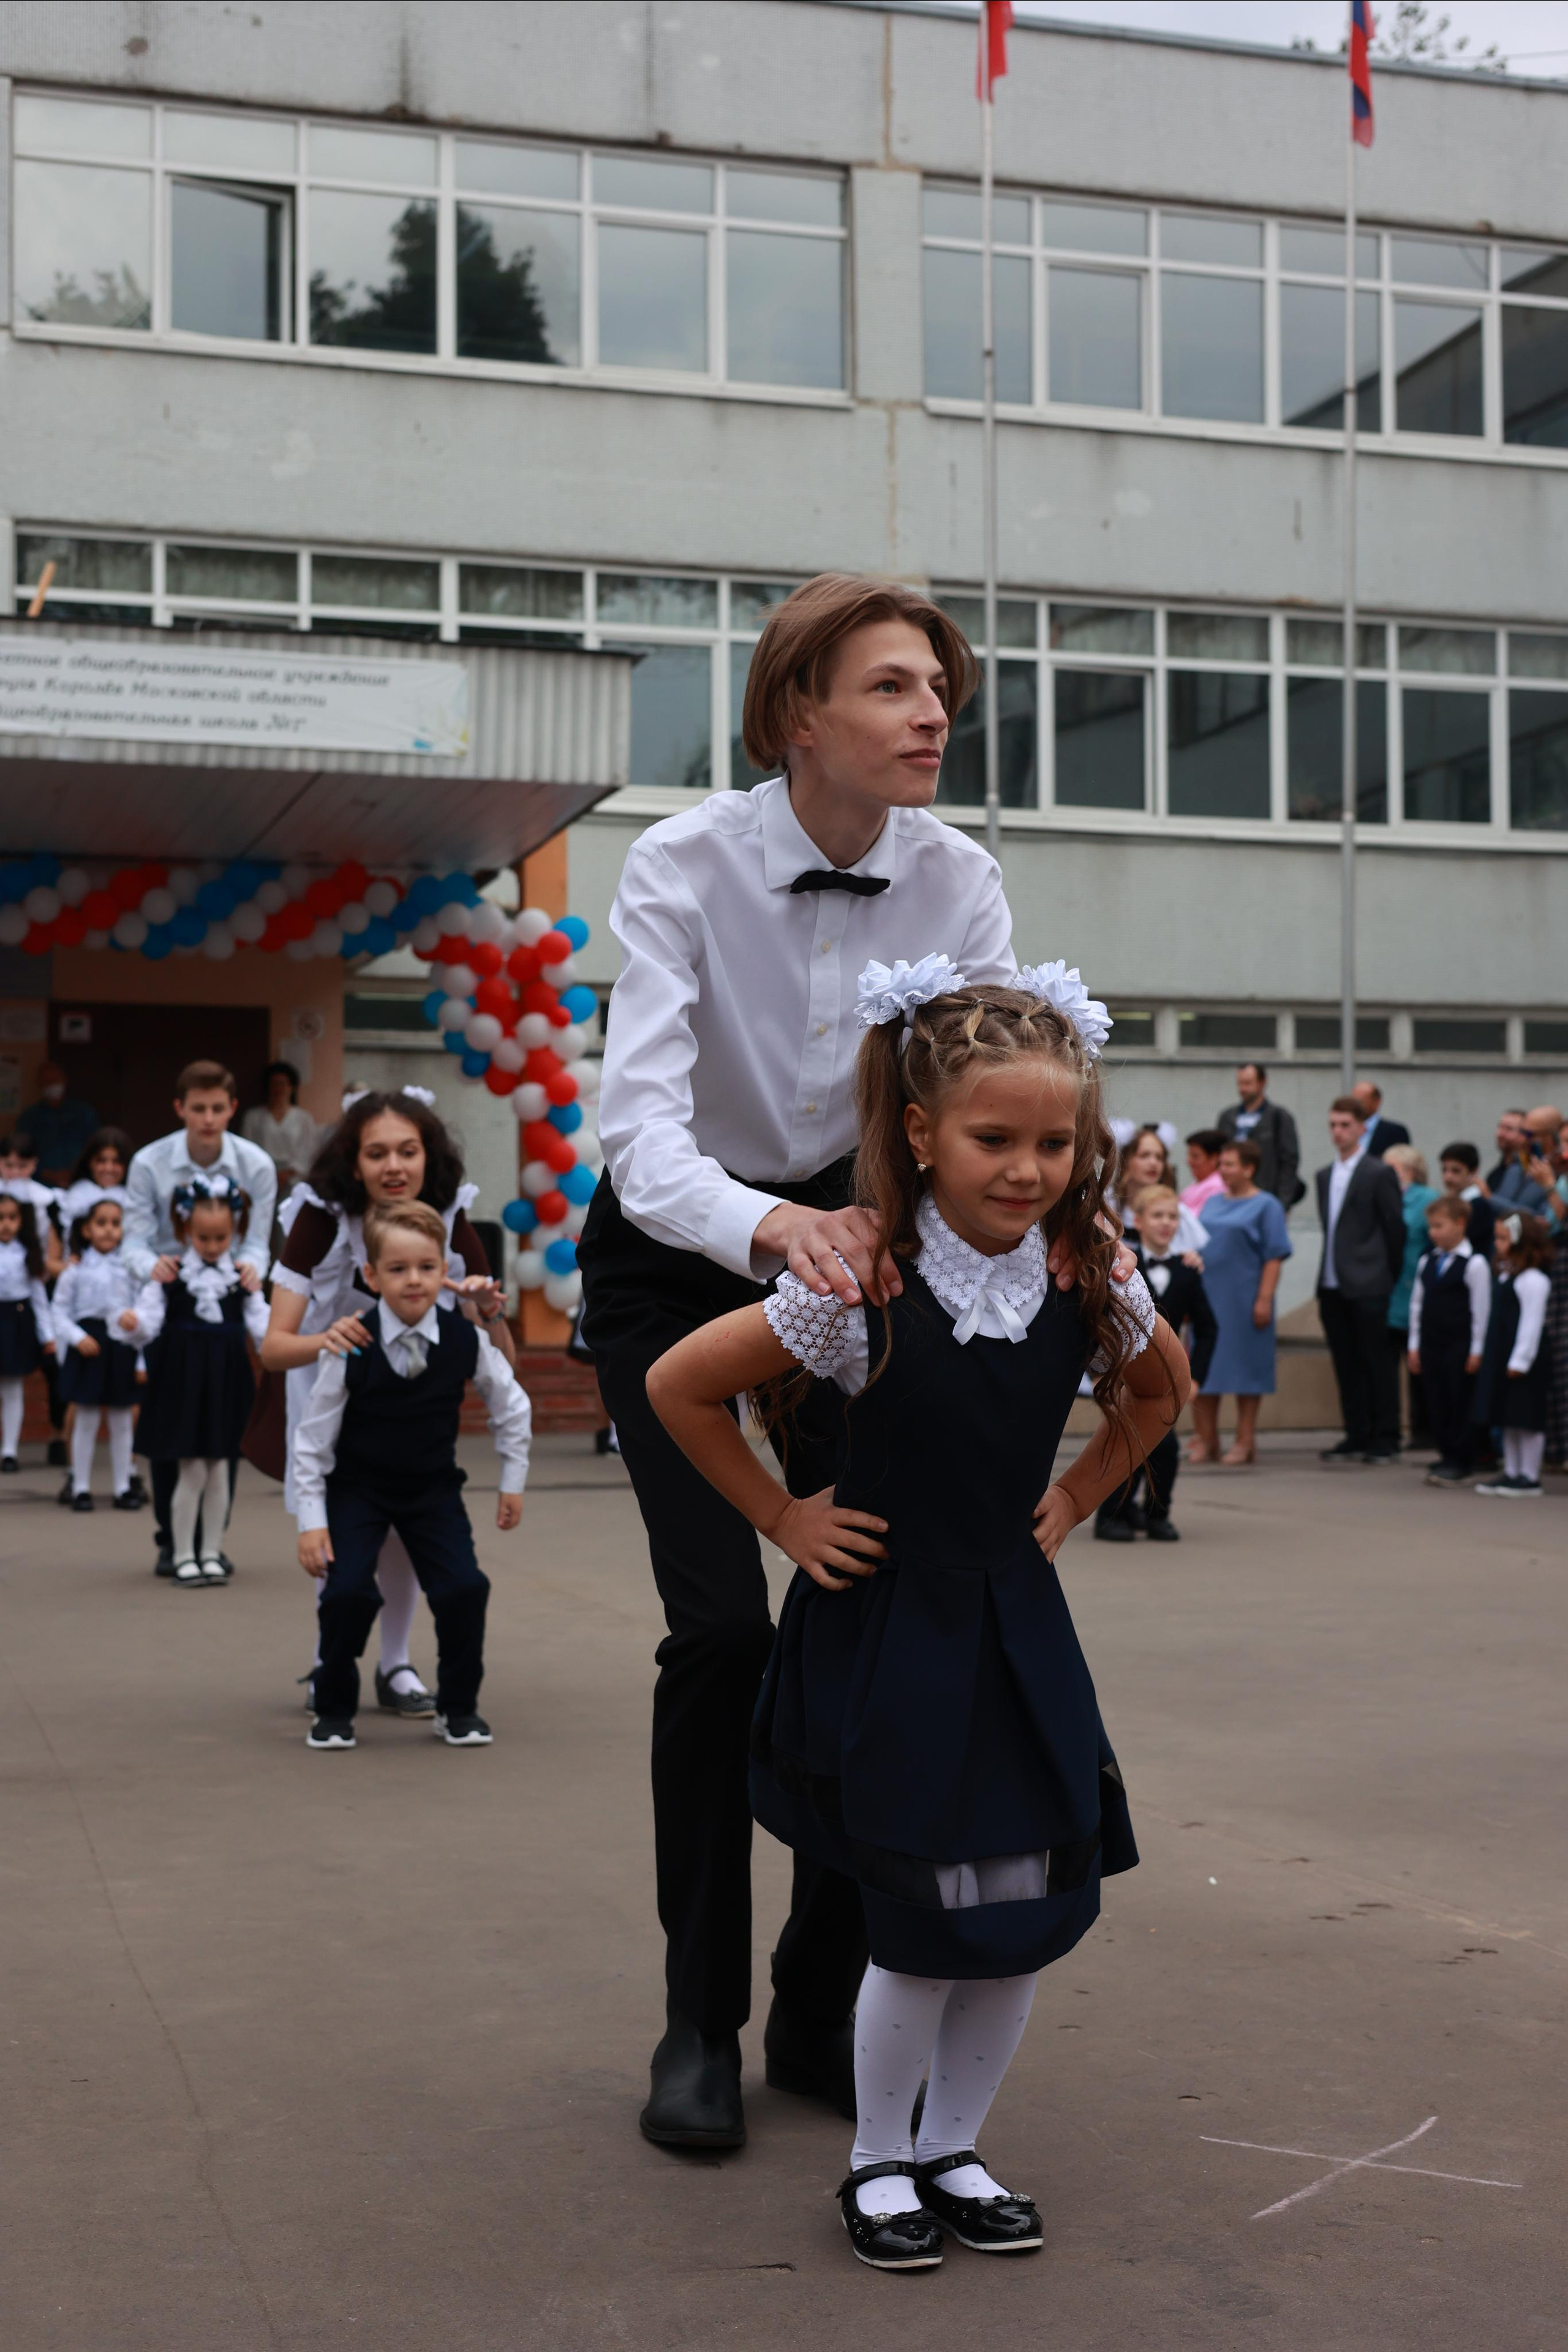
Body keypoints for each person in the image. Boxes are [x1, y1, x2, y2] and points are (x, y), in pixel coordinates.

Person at [646, 962, 1186, 2270]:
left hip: (1013, 1635)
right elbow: (677, 1385)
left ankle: (955, 2144)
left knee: (1018, 1910)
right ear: (918, 1133)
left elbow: (1158, 1394)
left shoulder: (1084, 1275)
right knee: (920, 1919)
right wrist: (783, 1520)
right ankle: (878, 2161)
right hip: (893, 1643)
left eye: (1054, 1142)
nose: (1027, 1168)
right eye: (994, 1139)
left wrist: (1068, 1502)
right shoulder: (859, 1284)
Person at [575, 573, 1020, 2152]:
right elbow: (634, 1134)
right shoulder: (676, 861)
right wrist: (774, 1230)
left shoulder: (960, 878)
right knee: (718, 1635)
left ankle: (824, 1991)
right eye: (895, 686)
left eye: (940, 690)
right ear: (794, 716)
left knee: (866, 1619)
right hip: (674, 1249)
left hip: (864, 1250)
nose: (932, 714)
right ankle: (698, 2020)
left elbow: (969, 1089)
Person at [260, 1087, 513, 1719]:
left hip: (411, 1396)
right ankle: (331, 1662)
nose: (394, 1166)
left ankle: (395, 1665)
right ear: (353, 1163)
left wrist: (486, 1311)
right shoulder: (319, 1216)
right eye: (377, 1153)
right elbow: (273, 1347)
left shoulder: (450, 1215)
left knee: (403, 1532)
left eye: (408, 1150)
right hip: (329, 1388)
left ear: (429, 1157)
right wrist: (328, 1339)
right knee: (337, 1540)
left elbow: (498, 1351)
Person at [292, 1200, 532, 1751]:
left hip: (432, 1491)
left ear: (443, 1272)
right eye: (397, 1270)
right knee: (347, 1593)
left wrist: (512, 1481)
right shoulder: (350, 1341)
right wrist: (311, 1521)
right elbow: (312, 1440)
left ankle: (458, 1708)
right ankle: (331, 1707)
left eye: (426, 1267)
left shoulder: (466, 1339)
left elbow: (512, 1407)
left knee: (464, 1589)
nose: (414, 1280)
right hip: (357, 1491)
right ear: (372, 1276)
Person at [122, 1062, 277, 1575]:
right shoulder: (149, 1162)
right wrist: (156, 1268)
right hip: (173, 1304)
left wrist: (250, 1268)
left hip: (227, 1306)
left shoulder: (255, 1163)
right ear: (180, 1109)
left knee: (223, 1435)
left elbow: (258, 1237)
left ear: (232, 1109)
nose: (208, 1118)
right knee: (173, 1430)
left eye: (217, 1108)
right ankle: (172, 1540)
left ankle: (214, 1540)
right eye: (198, 1109)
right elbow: (136, 1240)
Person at [1096, 1183, 1216, 1543]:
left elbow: (1209, 1328)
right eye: (1157, 1216)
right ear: (1139, 1221)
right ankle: (1111, 1513)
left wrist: (1196, 1377)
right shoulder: (1121, 1264)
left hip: (1167, 1373)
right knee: (1129, 1439)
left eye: (1172, 1217)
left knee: (1164, 1446)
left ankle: (1155, 1513)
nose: (1166, 1223)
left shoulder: (1187, 1270)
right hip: (1123, 1369)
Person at [1188, 1139, 1291, 1468]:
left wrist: (1264, 1298)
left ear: (1249, 1168)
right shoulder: (1212, 1203)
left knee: (1247, 1372)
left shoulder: (1267, 1205)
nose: (1224, 1170)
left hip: (1246, 1298)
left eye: (1231, 1164)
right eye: (1222, 1164)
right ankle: (1207, 1440)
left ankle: (1245, 1440)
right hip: (1209, 1296)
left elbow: (1275, 1255)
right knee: (1204, 1369)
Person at [1315, 1098, 1405, 1464]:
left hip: (1369, 1281)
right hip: (1332, 1283)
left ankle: (1386, 1436)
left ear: (1362, 1128)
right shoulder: (1324, 1175)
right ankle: (1356, 1433)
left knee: (1378, 1362)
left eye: (1346, 1125)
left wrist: (1385, 1274)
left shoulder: (1378, 1172)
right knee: (1345, 1362)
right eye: (1333, 1124)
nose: (1338, 1131)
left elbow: (1394, 1228)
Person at [50, 1197, 144, 1512]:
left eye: (115, 1223)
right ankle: (80, 1486)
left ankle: (122, 1486)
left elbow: (145, 1312)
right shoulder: (74, 1271)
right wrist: (77, 1338)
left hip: (120, 1346)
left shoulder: (130, 1271)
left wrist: (137, 1331)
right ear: (87, 1230)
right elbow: (59, 1312)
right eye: (101, 1223)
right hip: (88, 1346)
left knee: (121, 1420)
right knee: (87, 1419)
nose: (108, 1230)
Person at [1407, 1194, 1489, 1488]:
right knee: (1437, 1399)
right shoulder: (1428, 1260)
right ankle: (1446, 1453)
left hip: (1460, 1344)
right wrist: (1414, 1345)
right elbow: (1417, 1305)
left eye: (1439, 1226)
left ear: (1460, 1224)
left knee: (1459, 1399)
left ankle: (1461, 1457)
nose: (1433, 1233)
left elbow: (1481, 1311)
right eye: (1431, 1227)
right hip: (1432, 1343)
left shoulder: (1474, 1264)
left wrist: (1477, 1350)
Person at [1471, 1212, 1553, 1499]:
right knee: (1508, 1417)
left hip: (1524, 1361)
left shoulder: (1534, 1280)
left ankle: (1530, 1476)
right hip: (1503, 1355)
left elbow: (1532, 1323)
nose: (1498, 1243)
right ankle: (1513, 1470)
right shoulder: (1507, 1274)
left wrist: (1521, 1360)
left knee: (1527, 1419)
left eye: (1504, 1238)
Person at [1383, 1144, 1438, 1446]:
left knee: (1419, 1365)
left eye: (1393, 1168)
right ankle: (1392, 1426)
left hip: (1415, 1287)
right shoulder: (1383, 1195)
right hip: (1388, 1290)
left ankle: (1424, 1429)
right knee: (1388, 1366)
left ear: (1411, 1171)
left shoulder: (1426, 1199)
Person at [0, 1193, 51, 1473]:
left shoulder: (27, 1254)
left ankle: (9, 1449)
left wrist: (48, 1335)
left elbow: (39, 1298)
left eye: (12, 1218)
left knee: (12, 1386)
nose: (6, 1225)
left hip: (16, 1320)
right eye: (1, 1218)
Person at [1216, 1063, 1301, 1208]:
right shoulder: (1227, 1117)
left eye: (1248, 1083)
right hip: (1231, 1197)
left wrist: (1282, 1204)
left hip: (1265, 1195)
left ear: (1262, 1082)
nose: (1243, 1089)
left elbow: (1289, 1163)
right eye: (1240, 1083)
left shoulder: (1278, 1117)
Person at [1115, 1125, 1208, 1257]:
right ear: (1126, 1161)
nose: (1153, 1163)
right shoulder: (1108, 1206)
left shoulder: (1177, 1210)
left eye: (1159, 1157)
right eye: (1144, 1155)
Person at [14, 1062, 99, 1188]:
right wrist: (48, 1174)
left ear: (65, 1080)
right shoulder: (30, 1117)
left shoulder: (84, 1113)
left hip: (82, 1181)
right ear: (39, 1084)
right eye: (47, 1081)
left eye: (55, 1080)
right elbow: (21, 1151)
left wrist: (76, 1173)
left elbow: (96, 1147)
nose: (52, 1084)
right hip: (40, 1185)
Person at [242, 1061, 318, 1197]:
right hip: (261, 1178)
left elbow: (309, 1151)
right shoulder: (253, 1117)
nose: (279, 1089)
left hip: (294, 1181)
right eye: (274, 1084)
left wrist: (287, 1174)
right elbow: (247, 1149)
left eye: (284, 1084)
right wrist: (271, 1174)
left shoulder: (304, 1118)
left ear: (292, 1087)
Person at [56, 1128, 135, 1235]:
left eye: (117, 1162)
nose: (109, 1168)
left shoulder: (135, 1197)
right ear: (90, 1162)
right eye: (101, 1161)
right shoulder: (76, 1195)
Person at [1438, 1143, 1495, 1265]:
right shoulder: (1448, 1202)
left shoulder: (1479, 1206)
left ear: (1473, 1172)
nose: (1448, 1177)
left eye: (1456, 1171)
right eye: (1445, 1170)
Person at [1485, 1110, 1548, 1213]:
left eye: (1509, 1129)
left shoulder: (1541, 1172)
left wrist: (1489, 1198)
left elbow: (1538, 1218)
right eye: (1500, 1127)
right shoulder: (1497, 1173)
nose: (1500, 1134)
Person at [1349, 1080, 1409, 1161]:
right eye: (1353, 1102)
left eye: (1361, 1101)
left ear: (1376, 1102)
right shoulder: (1348, 1129)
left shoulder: (1395, 1132)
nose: (1356, 1106)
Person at [1181, 1129, 1227, 1215]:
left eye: (1195, 1156)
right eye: (1189, 1156)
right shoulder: (1197, 1184)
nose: (1189, 1161)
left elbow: (1200, 1218)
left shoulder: (1218, 1186)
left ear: (1214, 1158)